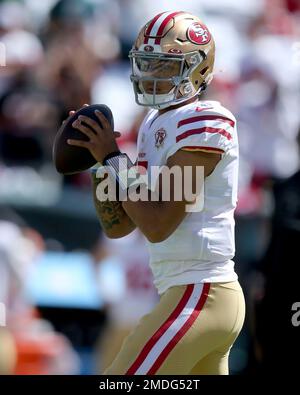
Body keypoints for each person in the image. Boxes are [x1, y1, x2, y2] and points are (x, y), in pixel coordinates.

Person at [67, 11, 245, 375]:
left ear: (199, 68)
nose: (153, 75)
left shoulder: (206, 119)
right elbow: (120, 227)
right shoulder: (154, 123)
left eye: (165, 66)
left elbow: (159, 223)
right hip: (188, 292)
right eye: (147, 64)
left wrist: (114, 159)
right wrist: (100, 165)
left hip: (201, 293)